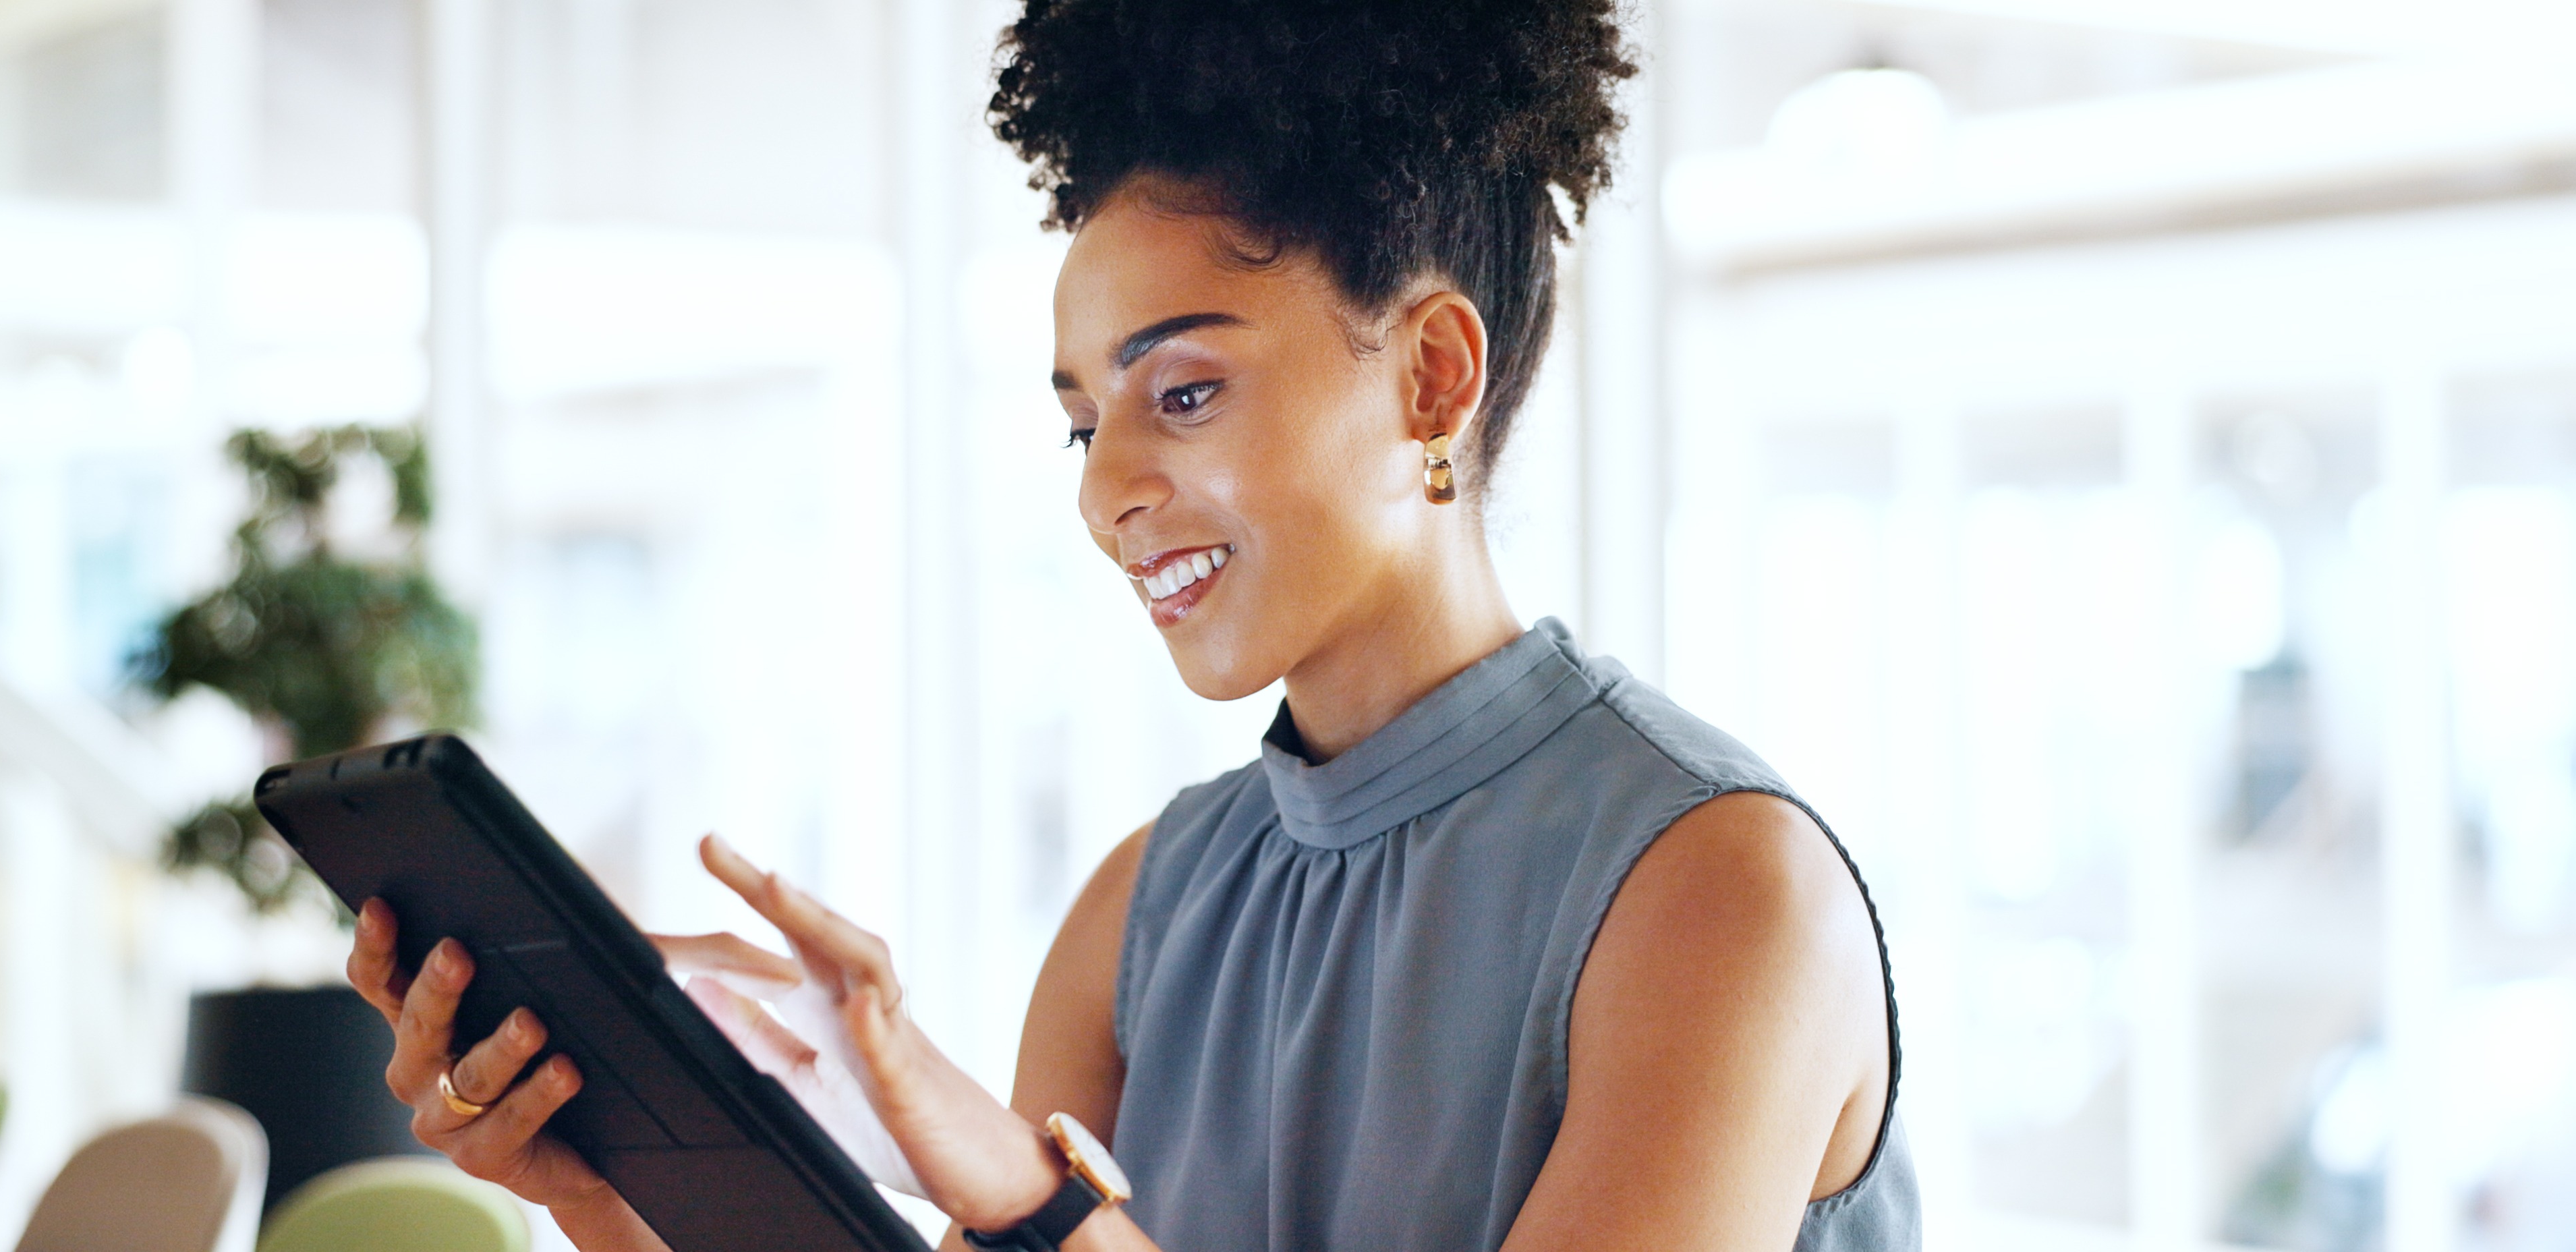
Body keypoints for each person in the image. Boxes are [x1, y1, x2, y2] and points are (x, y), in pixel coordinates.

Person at [346, 1, 1918, 1249]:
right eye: (1082, 422)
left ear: (1433, 376)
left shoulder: (1721, 891)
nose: (1106, 491)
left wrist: (1030, 1198)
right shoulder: (1142, 908)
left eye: (1182, 392)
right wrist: (620, 1183)